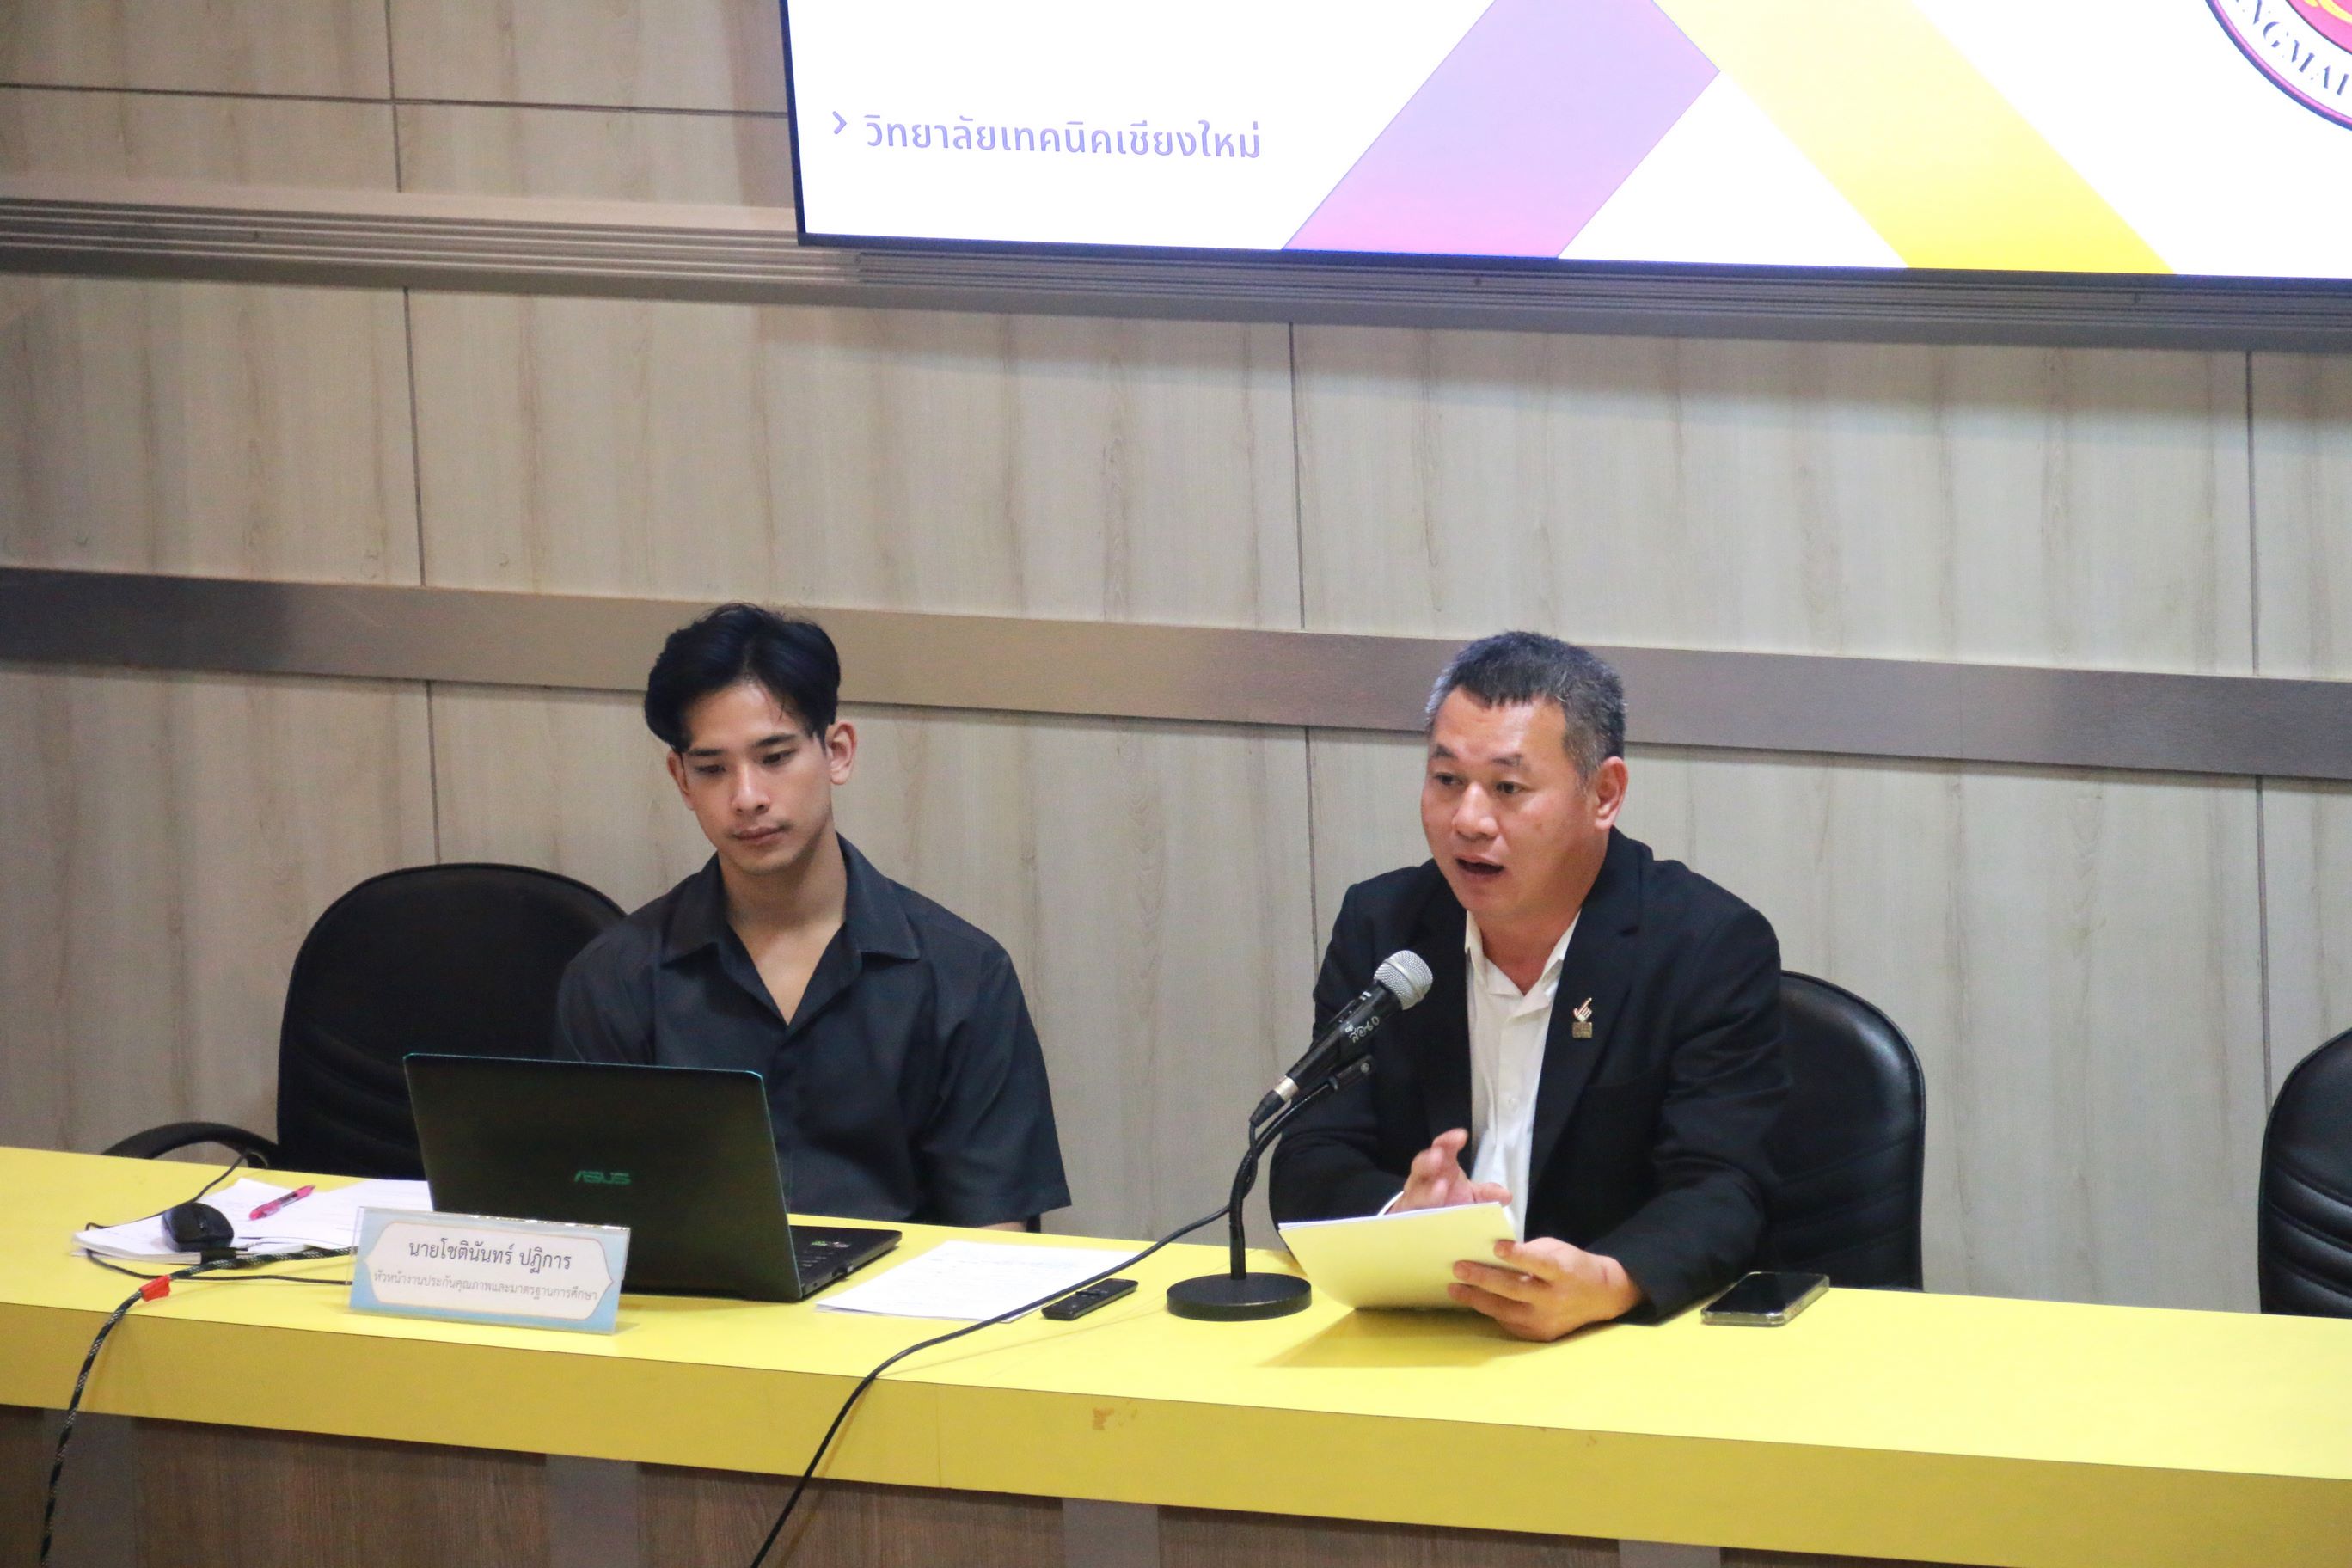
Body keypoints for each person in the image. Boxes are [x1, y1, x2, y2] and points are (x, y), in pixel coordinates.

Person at [1269, 632, 1786, 1338]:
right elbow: (1310, 1156)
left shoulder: (1705, 946)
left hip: (1614, 1342)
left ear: (1604, 794)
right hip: (1424, 1331)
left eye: (1508, 788)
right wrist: (1400, 1216)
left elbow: (1723, 1186)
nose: (1469, 820)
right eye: (1446, 780)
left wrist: (1610, 1282)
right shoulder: (1384, 926)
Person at [555, 604, 1069, 1231]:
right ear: (682, 781)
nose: (747, 797)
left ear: (837, 752)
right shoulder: (615, 977)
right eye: (712, 769)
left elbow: (997, 1232)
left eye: (775, 757)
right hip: (694, 1290)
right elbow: (592, 1220)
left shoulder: (964, 973)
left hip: (906, 1293)